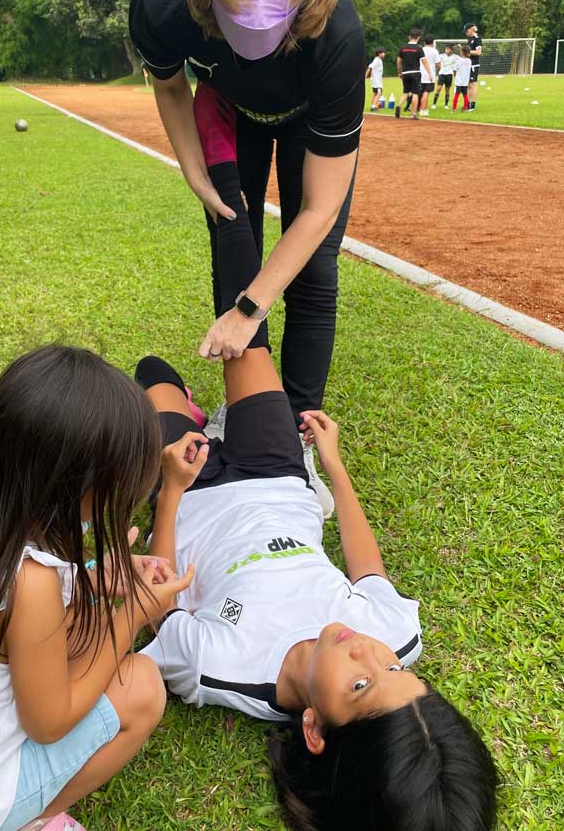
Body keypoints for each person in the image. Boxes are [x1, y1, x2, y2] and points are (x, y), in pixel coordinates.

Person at [137, 151, 498, 831]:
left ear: (314, 731)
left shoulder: (219, 671)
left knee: (149, 375)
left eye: (361, 686)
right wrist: (331, 466)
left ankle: (185, 414)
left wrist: (170, 492)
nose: (369, 652)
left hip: (199, 493)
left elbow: (162, 600)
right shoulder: (394, 637)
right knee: (244, 325)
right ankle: (222, 168)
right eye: (395, 668)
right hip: (278, 474)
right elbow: (368, 572)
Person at [0, 345, 198, 831]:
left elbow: (18, 627)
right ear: (74, 488)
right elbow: (48, 722)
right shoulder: (32, 583)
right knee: (143, 688)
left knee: (82, 641)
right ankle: (32, 819)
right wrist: (131, 614)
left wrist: (95, 579)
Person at [128, 0, 365, 453]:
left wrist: (252, 309)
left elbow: (318, 209)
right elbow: (171, 87)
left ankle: (299, 429)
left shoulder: (336, 32)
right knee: (233, 235)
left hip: (307, 123)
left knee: (312, 269)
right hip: (231, 114)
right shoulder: (163, 3)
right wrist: (193, 173)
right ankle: (249, 409)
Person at [395, 28, 430, 120]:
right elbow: (424, 61)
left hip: (405, 73)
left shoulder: (403, 48)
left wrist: (399, 72)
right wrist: (429, 73)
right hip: (415, 73)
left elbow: (398, 61)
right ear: (418, 37)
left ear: (409, 37)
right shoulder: (419, 48)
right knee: (415, 93)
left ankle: (399, 105)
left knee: (405, 92)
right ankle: (413, 114)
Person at [418, 36, 441, 116]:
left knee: (421, 92)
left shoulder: (421, 49)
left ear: (424, 42)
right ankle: (423, 110)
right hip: (429, 75)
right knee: (426, 93)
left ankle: (424, 109)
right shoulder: (434, 51)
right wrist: (440, 67)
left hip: (420, 74)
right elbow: (438, 64)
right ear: (432, 42)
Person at [464, 22, 482, 110]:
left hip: (474, 64)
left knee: (473, 84)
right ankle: (466, 103)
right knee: (468, 85)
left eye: (467, 31)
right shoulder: (470, 39)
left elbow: (478, 52)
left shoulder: (476, 38)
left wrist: (467, 52)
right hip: (468, 64)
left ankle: (472, 105)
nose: (466, 33)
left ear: (471, 29)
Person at [434, 42, 457, 107]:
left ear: (452, 50)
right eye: (446, 49)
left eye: (448, 49)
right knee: (438, 88)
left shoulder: (455, 57)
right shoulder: (441, 56)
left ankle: (446, 105)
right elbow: (437, 62)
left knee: (447, 90)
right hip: (442, 74)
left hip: (449, 75)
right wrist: (439, 67)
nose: (446, 50)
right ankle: (434, 104)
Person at [453, 46, 473, 112]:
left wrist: (455, 76)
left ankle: (454, 109)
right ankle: (465, 107)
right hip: (465, 82)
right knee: (465, 95)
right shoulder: (469, 61)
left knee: (456, 95)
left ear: (462, 52)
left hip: (459, 81)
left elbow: (455, 70)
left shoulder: (458, 60)